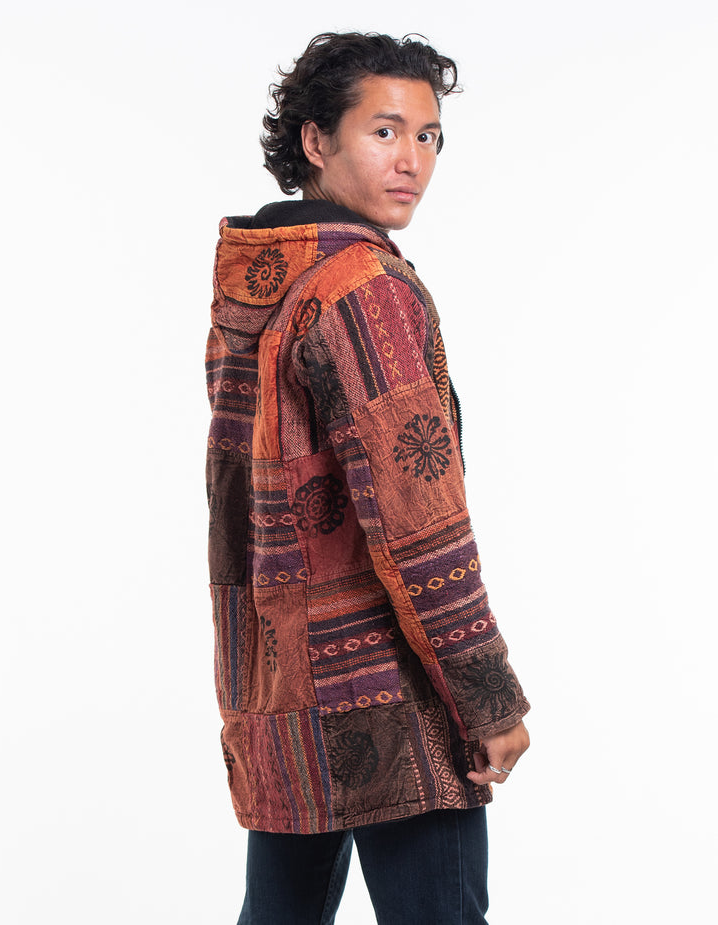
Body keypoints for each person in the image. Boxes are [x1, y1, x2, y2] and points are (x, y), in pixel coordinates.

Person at [205, 31, 531, 924]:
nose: (412, 160)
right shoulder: (362, 288)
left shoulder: (264, 284)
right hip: (391, 689)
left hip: (282, 688)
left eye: (429, 137)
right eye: (384, 131)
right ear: (315, 140)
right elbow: (418, 521)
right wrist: (487, 697)